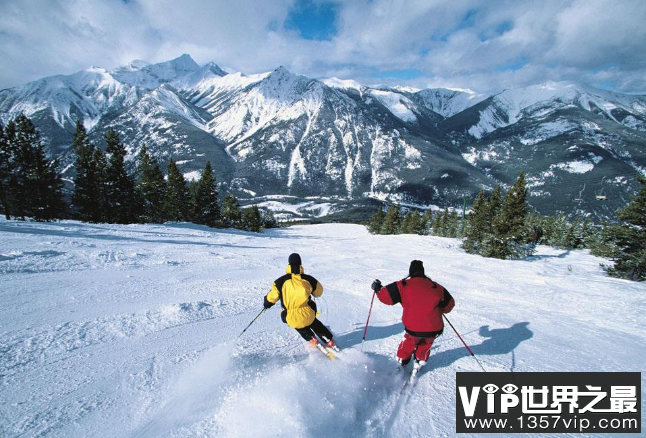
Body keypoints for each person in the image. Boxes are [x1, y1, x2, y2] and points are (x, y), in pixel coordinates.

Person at [371, 260, 454, 372]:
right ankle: (420, 361)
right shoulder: (436, 287)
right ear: (423, 272)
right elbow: (449, 306)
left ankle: (402, 360)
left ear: (410, 272)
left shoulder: (403, 285)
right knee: (426, 344)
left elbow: (385, 297)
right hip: (434, 327)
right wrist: (440, 308)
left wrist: (377, 288)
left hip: (413, 328)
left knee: (409, 342)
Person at [264, 253, 336, 348]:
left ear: (289, 264)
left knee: (293, 321)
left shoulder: (279, 282)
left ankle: (310, 338)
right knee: (313, 321)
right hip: (308, 315)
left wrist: (267, 304)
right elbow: (319, 292)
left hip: (291, 317)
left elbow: (271, 298)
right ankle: (328, 339)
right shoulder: (308, 279)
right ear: (300, 264)